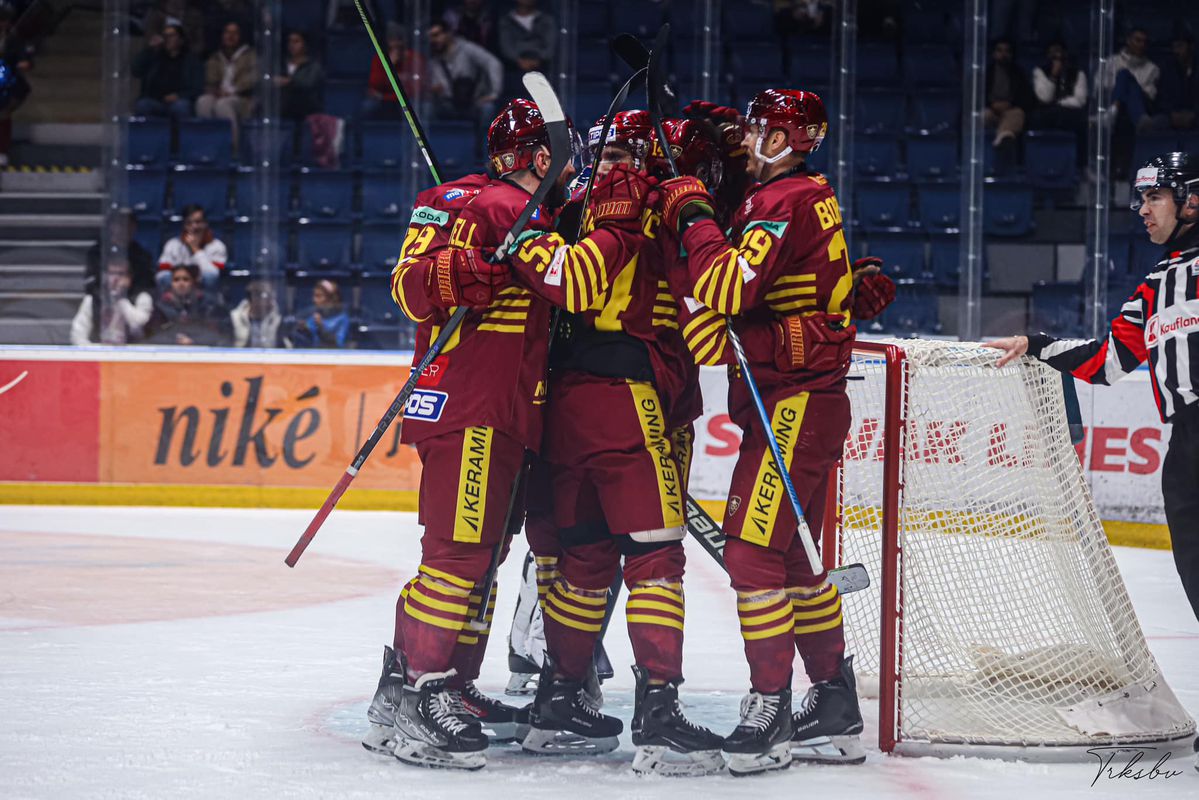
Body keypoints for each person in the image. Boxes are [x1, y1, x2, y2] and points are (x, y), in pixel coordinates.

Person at [363, 98, 651, 771]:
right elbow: (575, 288)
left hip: (465, 405)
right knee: (460, 559)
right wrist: (613, 222)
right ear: (542, 157)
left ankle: (419, 688)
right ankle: (425, 700)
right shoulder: (504, 210)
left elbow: (404, 288)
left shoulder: (450, 198)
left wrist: (449, 273)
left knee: (472, 559)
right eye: (565, 155)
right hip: (480, 410)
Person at [656, 89, 888, 775]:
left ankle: (770, 711)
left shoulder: (779, 200)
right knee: (793, 561)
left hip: (793, 404)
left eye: (766, 129)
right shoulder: (803, 194)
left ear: (797, 138)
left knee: (751, 553)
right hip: (797, 401)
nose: (751, 139)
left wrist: (692, 209)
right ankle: (833, 705)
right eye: (751, 127)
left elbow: (727, 289)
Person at [525, 111, 725, 775]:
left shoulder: (569, 205)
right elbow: (706, 299)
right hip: (627, 401)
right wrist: (692, 198)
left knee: (582, 558)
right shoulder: (648, 201)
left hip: (561, 406)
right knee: (654, 558)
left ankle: (559, 699)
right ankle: (659, 710)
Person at [984, 152, 1199, 626]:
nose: (1143, 209)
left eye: (1155, 197)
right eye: (1142, 198)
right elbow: (1108, 362)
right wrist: (1036, 345)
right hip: (1186, 450)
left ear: (1192, 201)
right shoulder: (1156, 286)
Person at [427, 21, 503, 135]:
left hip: (473, 103)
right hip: (447, 104)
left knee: (488, 108)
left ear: (448, 34)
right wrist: (434, 89)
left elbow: (493, 63)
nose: (434, 40)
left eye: (437, 35)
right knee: (426, 108)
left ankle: (484, 147)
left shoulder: (467, 48)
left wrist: (494, 93)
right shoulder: (432, 57)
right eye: (430, 37)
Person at [195, 21, 256, 142]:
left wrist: (233, 90)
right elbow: (210, 80)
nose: (230, 36)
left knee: (222, 104)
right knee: (203, 101)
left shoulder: (250, 55)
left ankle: (233, 147)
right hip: (220, 95)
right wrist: (216, 90)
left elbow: (254, 77)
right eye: (227, 32)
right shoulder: (216, 57)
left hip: (242, 98)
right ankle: (208, 143)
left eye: (235, 33)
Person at [70, 258, 153, 346]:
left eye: (121, 274)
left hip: (133, 355)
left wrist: (121, 301)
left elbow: (139, 326)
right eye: (112, 273)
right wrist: (96, 350)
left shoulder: (142, 297)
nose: (116, 278)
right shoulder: (92, 300)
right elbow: (77, 335)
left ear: (129, 278)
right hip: (100, 354)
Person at [132, 23, 202, 119]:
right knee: (143, 105)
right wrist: (149, 49)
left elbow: (197, 88)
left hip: (180, 100)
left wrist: (178, 96)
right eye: (165, 35)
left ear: (181, 40)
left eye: (171, 35)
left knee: (181, 107)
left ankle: (182, 134)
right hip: (156, 100)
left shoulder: (191, 60)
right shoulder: (155, 57)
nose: (167, 38)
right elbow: (136, 71)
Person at [147, 263, 228, 346]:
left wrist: (193, 341)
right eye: (176, 280)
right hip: (168, 351)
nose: (181, 283)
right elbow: (152, 335)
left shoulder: (208, 304)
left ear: (193, 282)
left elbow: (218, 335)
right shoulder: (161, 306)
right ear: (171, 283)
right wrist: (175, 341)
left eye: (186, 279)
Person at [984, 38, 1033, 171]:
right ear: (994, 53)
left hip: (1010, 111)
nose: (1003, 54)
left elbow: (1026, 99)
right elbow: (977, 95)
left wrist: (1009, 104)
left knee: (1018, 114)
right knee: (980, 116)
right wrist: (992, 105)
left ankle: (1003, 138)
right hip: (990, 110)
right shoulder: (985, 73)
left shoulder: (1019, 73)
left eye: (1007, 51)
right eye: (1000, 50)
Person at [361, 21, 424, 121]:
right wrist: (390, 66)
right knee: (368, 106)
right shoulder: (380, 58)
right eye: (392, 40)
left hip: (403, 100)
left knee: (415, 107)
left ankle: (413, 135)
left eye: (399, 40)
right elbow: (374, 85)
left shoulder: (415, 58)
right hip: (385, 100)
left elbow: (415, 90)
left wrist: (384, 97)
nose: (396, 44)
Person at [87, 210, 157, 298]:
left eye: (129, 224)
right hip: (103, 301)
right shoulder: (97, 252)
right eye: (119, 224)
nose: (124, 228)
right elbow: (91, 283)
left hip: (133, 301)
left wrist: (128, 292)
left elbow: (148, 285)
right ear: (111, 226)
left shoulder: (142, 255)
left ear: (134, 227)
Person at [156, 205, 227, 292]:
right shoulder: (172, 244)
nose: (194, 227)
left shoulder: (217, 246)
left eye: (198, 222)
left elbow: (213, 277)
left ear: (205, 223)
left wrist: (195, 249)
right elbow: (162, 274)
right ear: (184, 225)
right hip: (176, 293)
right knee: (166, 277)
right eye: (189, 223)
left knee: (209, 276)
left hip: (206, 295)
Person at [1030, 41, 1087, 147]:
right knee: (1036, 118)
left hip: (1069, 114)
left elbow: (1080, 101)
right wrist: (1053, 76)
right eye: (1054, 55)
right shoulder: (1039, 72)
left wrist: (1059, 103)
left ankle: (1081, 162)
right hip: (1046, 114)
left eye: (1060, 53)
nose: (1058, 57)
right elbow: (1045, 98)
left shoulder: (1078, 73)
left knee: (1082, 121)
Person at [1105, 27, 1162, 133]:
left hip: (1140, 104)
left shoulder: (1153, 68)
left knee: (1124, 75)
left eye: (1144, 42)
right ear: (1128, 40)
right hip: (1110, 101)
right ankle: (1115, 110)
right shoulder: (1111, 62)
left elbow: (1150, 94)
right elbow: (1100, 86)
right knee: (1124, 76)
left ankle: (1113, 112)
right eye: (1138, 40)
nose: (1141, 45)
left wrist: (1128, 86)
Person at [497, 0, 555, 95]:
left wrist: (538, 60)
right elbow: (506, 46)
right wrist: (519, 61)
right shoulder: (506, 20)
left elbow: (550, 47)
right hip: (513, 67)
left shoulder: (546, 20)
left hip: (541, 67)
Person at [276, 31, 324, 122]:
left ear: (305, 44)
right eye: (290, 41)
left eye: (296, 41)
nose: (292, 45)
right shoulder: (281, 64)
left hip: (305, 111)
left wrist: (290, 82)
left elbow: (309, 83)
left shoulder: (313, 66)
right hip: (283, 111)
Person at [288, 279, 350, 349]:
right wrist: (303, 330)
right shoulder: (314, 316)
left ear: (331, 298)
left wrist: (320, 326)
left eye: (319, 296)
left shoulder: (342, 319)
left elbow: (337, 344)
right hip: (315, 356)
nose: (314, 300)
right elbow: (309, 340)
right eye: (314, 296)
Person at [1158, 32, 1199, 132]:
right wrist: (1172, 114)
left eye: (1180, 46)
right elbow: (1162, 97)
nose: (1176, 51)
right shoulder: (1167, 68)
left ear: (1191, 47)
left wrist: (1194, 115)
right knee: (1155, 123)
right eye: (1174, 47)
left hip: (1195, 115)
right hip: (1173, 116)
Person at [229, 279, 282, 348]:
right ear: (253, 297)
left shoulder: (279, 319)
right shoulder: (234, 318)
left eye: (272, 295)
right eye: (267, 296)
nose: (271, 300)